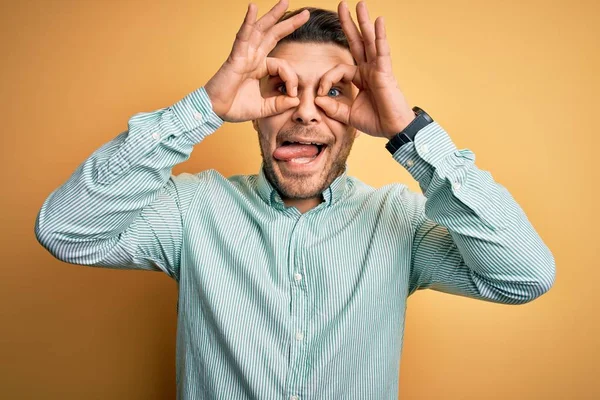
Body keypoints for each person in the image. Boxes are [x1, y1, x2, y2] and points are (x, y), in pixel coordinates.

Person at [34, 1, 556, 398]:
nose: (305, 113)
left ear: (361, 111)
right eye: (282, 87)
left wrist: (409, 132)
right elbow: (64, 230)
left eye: (333, 91)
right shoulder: (192, 211)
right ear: (255, 108)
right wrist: (206, 108)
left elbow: (524, 277)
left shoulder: (399, 222)